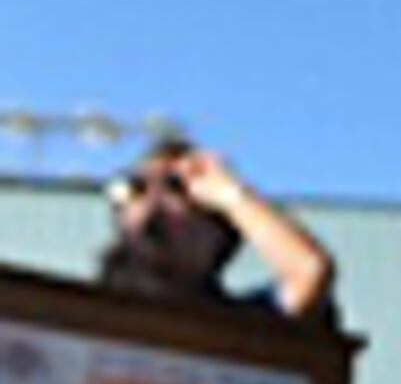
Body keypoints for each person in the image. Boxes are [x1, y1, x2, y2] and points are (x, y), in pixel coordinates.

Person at [99, 137, 336, 321]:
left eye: (174, 187)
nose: (152, 200)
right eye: (138, 186)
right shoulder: (88, 317)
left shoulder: (244, 326)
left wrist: (231, 196)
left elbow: (309, 270)